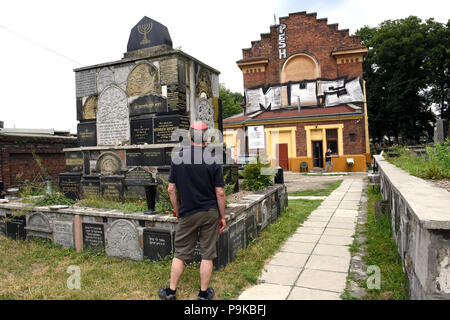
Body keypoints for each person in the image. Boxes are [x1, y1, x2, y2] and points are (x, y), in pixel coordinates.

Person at [158, 121, 226, 300]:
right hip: (210, 212)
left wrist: (177, 210)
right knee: (207, 254)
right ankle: (203, 294)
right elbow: (220, 192)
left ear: (189, 137)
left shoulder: (178, 158)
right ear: (207, 139)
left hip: (187, 213)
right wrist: (222, 216)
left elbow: (171, 189)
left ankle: (171, 292)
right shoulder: (214, 159)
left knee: (180, 253)